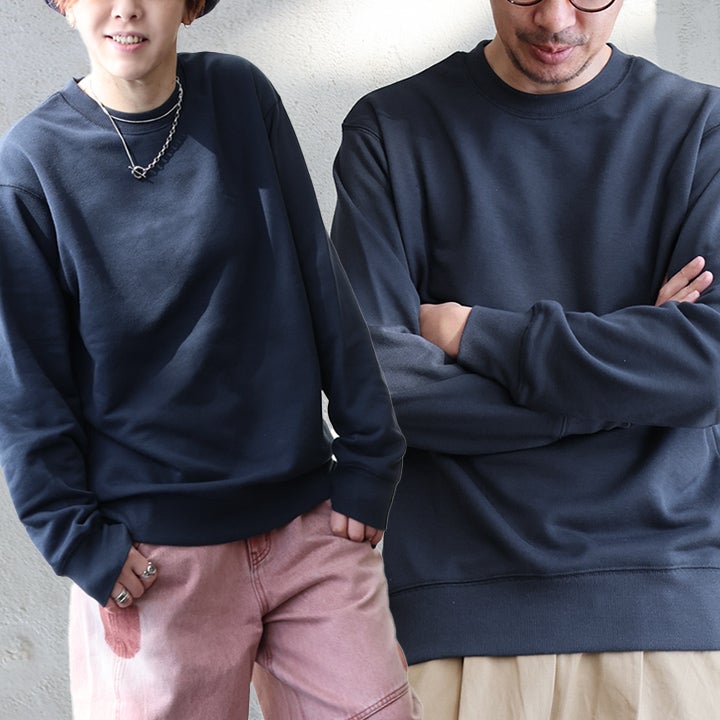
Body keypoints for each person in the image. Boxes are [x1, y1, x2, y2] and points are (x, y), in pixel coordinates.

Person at [0, 1, 423, 718]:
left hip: (305, 529)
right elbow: (26, 386)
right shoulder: (32, 164)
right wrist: (79, 543)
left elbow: (317, 274)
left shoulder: (239, 96)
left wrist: (370, 454)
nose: (126, 7)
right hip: (156, 561)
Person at [331, 0, 720, 718]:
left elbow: (708, 366)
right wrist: (627, 389)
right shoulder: (392, 130)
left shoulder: (702, 130)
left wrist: (478, 335)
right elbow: (375, 389)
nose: (554, 18)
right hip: (458, 620)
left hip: (666, 615)